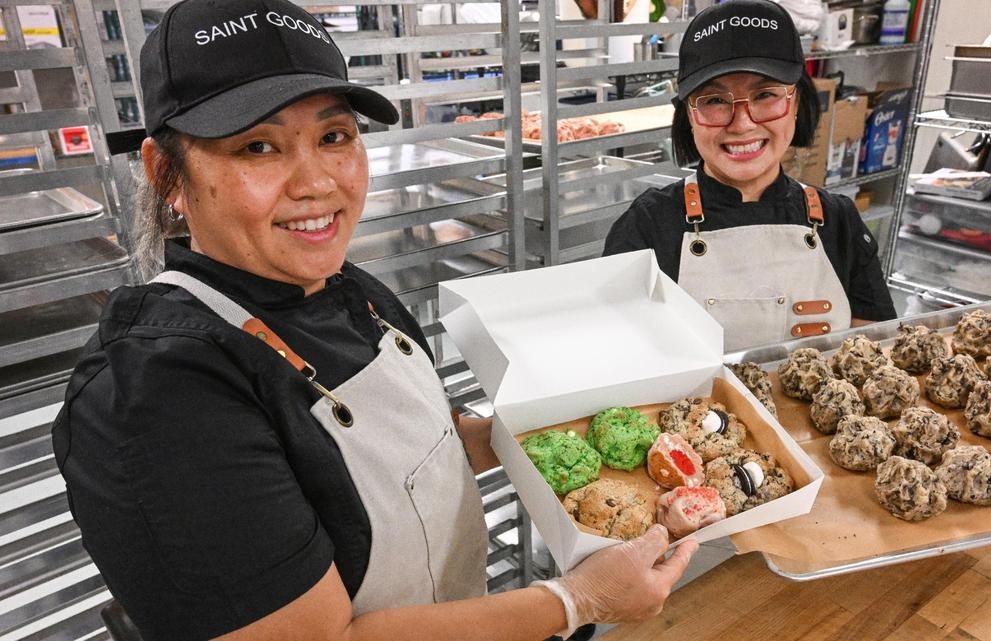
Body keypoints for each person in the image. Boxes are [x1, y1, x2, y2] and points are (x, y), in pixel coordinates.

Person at [51, 1, 697, 639]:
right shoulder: (157, 396)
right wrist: (576, 599)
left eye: (334, 136)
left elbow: (425, 456)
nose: (317, 183)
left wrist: (551, 432)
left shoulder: (348, 290)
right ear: (167, 174)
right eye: (258, 146)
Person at [604, 0, 896, 352]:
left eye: (765, 95)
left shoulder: (839, 221)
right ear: (688, 116)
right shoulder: (648, 225)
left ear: (798, 103)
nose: (742, 124)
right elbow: (617, 355)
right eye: (714, 100)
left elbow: (877, 357)